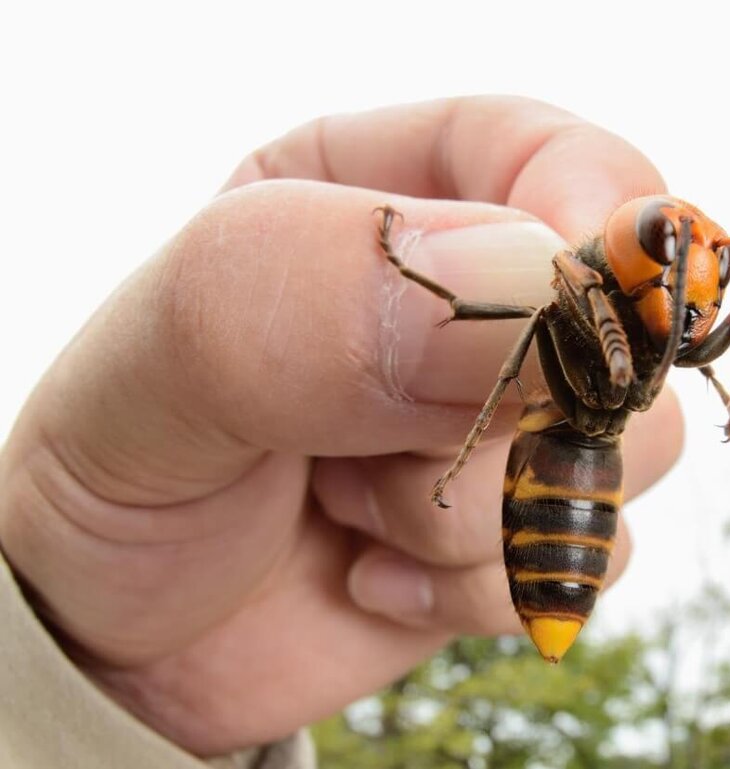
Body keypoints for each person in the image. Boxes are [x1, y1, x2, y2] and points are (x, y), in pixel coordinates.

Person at [0, 96, 684, 768]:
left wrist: (108, 699)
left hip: (578, 471)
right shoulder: (576, 278)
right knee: (534, 317)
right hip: (562, 473)